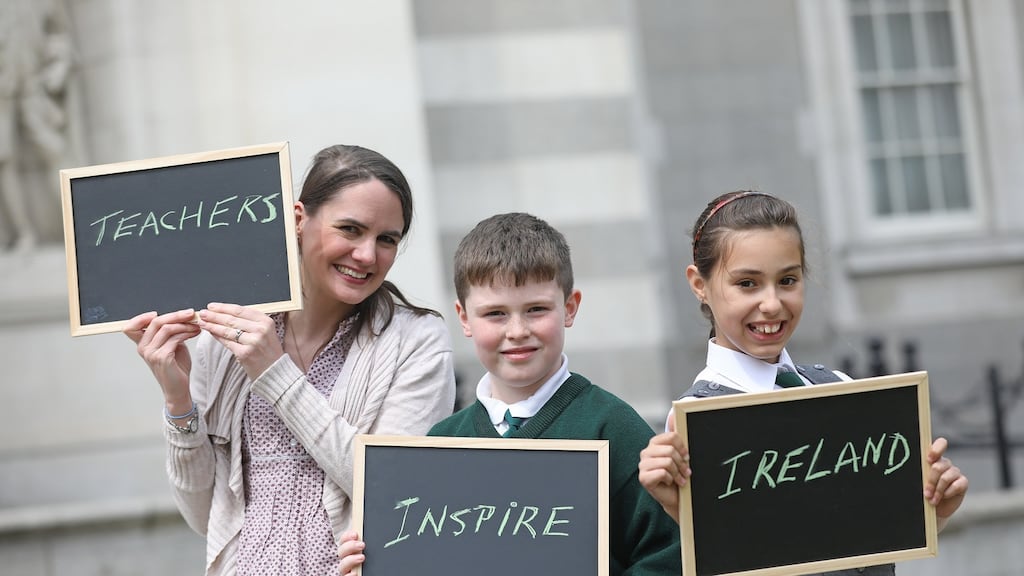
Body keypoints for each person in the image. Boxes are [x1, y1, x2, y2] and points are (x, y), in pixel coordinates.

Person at [123, 144, 457, 575]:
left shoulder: (416, 341)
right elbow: (202, 515)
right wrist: (177, 400)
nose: (367, 256)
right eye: (350, 230)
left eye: (387, 239)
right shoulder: (226, 331)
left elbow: (393, 489)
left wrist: (274, 372)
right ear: (299, 219)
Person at [636, 190, 969, 574]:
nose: (772, 304)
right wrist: (678, 510)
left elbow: (869, 541)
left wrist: (933, 513)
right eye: (747, 284)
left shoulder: (839, 388)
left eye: (788, 280)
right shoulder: (693, 424)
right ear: (699, 284)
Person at [337, 212, 682, 576]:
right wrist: (374, 564)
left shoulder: (613, 427)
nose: (517, 331)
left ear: (569, 307)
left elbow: (668, 555)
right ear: (465, 318)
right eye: (496, 314)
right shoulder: (441, 444)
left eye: (536, 309)